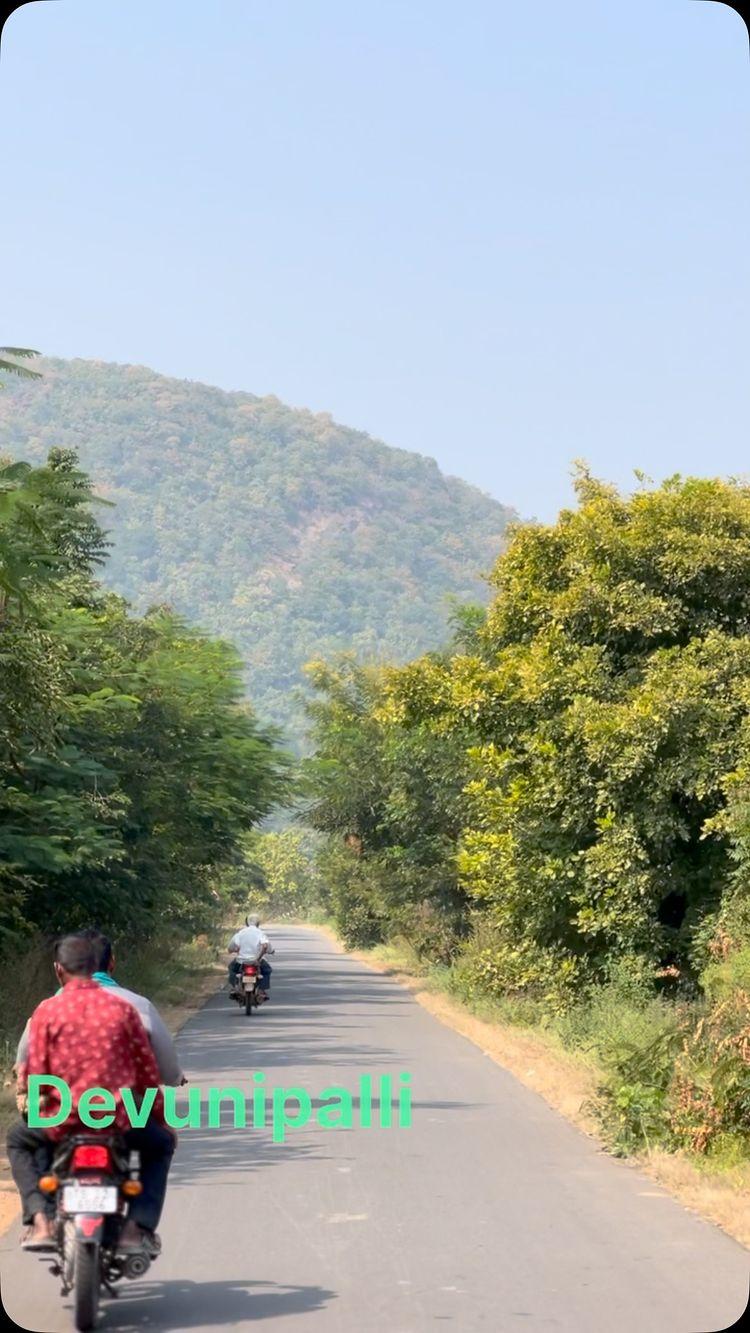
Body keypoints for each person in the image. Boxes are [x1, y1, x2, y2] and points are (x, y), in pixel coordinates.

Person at [8, 933, 175, 1253]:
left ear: (59, 970)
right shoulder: (123, 1009)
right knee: (161, 1144)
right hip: (120, 1121)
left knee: (18, 1139)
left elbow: (36, 1073)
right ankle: (136, 1228)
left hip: (63, 1123)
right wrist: (160, 1119)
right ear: (104, 966)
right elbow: (146, 1075)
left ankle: (41, 1219)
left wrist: (38, 1106)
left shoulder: (47, 1011)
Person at [14, 928, 184, 1087]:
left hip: (62, 1110)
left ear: (59, 969)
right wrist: (175, 1078)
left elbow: (23, 1065)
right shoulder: (136, 1005)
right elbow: (168, 1070)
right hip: (124, 1108)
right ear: (111, 963)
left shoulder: (46, 1010)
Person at [227, 913, 274, 1000]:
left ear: (247, 923)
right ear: (258, 923)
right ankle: (262, 990)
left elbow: (231, 948)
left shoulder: (240, 933)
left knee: (232, 968)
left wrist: (233, 950)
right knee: (267, 971)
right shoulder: (260, 933)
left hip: (241, 961)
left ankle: (235, 987)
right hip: (257, 961)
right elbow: (266, 946)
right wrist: (260, 958)